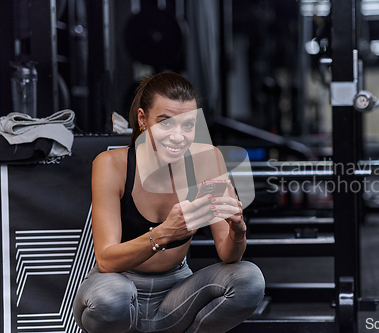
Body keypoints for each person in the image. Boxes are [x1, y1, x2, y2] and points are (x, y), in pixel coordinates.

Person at [73, 72, 265, 333]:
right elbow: (106, 261)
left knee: (248, 279)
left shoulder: (207, 159)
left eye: (187, 125)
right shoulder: (111, 165)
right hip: (121, 287)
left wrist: (238, 229)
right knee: (111, 296)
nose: (178, 136)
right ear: (143, 119)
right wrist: (163, 233)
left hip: (177, 295)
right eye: (165, 123)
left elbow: (228, 254)